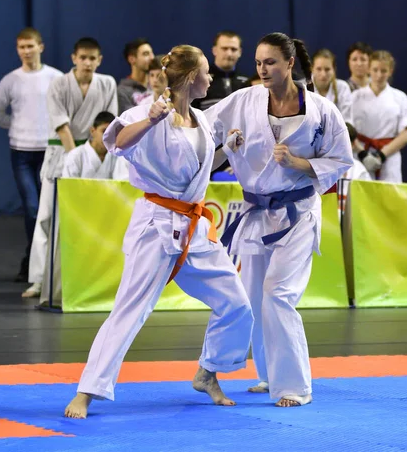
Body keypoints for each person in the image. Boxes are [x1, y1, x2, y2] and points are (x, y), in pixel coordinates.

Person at [64, 44, 253, 419]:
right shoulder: (149, 113)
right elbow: (114, 141)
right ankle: (87, 391)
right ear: (189, 78)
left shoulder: (201, 120)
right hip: (157, 225)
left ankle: (208, 372)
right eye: (205, 71)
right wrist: (150, 120)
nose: (211, 77)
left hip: (195, 229)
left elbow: (198, 169)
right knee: (129, 310)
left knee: (237, 304)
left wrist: (226, 150)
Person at [205, 33, 352, 407]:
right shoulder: (243, 101)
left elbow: (340, 162)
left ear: (289, 64)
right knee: (253, 296)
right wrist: (224, 145)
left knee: (279, 293)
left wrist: (299, 163)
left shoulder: (322, 111)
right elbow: (202, 130)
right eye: (257, 63)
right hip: (256, 212)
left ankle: (294, 387)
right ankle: (268, 376)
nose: (262, 70)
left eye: (270, 62)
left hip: (299, 213)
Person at [25, 37, 117, 300]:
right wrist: (76, 157)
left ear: (99, 60)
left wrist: (94, 152)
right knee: (46, 218)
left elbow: (108, 125)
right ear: (73, 58)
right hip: (63, 155)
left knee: (93, 221)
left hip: (98, 155)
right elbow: (62, 126)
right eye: (83, 58)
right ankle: (39, 280)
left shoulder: (107, 83)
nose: (87, 63)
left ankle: (86, 275)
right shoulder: (58, 84)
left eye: (92, 58)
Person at [0, 28, 63, 284]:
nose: (26, 51)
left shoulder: (56, 77)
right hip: (21, 152)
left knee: (50, 208)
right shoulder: (10, 80)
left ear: (41, 47)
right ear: (17, 50)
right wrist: (18, 124)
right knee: (32, 208)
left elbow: (67, 107)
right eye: (21, 47)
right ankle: (33, 260)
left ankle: (49, 263)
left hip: (49, 150)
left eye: (30, 46)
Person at [351, 51, 407, 182]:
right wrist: (363, 153)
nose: (379, 75)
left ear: (390, 71)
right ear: (369, 69)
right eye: (375, 70)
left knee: (389, 198)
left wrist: (382, 155)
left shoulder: (400, 98)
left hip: (389, 157)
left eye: (383, 71)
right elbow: (348, 130)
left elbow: (406, 135)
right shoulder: (355, 97)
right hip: (360, 155)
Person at [192, 31, 249, 110]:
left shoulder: (247, 82)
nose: (229, 54)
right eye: (224, 48)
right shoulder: (200, 80)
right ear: (214, 50)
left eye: (233, 49)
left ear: (240, 52)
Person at [62, 112, 120, 179]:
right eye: (104, 131)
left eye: (112, 133)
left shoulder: (116, 157)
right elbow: (68, 187)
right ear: (92, 131)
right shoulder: (76, 155)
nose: (108, 137)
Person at [312, 48, 353, 123]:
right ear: (312, 69)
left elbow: (347, 122)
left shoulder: (342, 87)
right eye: (319, 69)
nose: (323, 74)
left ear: (334, 70)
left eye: (327, 69)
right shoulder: (302, 88)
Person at [117, 38, 154, 112]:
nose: (152, 57)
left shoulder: (158, 85)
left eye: (151, 53)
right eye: (146, 54)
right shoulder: (122, 91)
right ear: (132, 59)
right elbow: (129, 120)